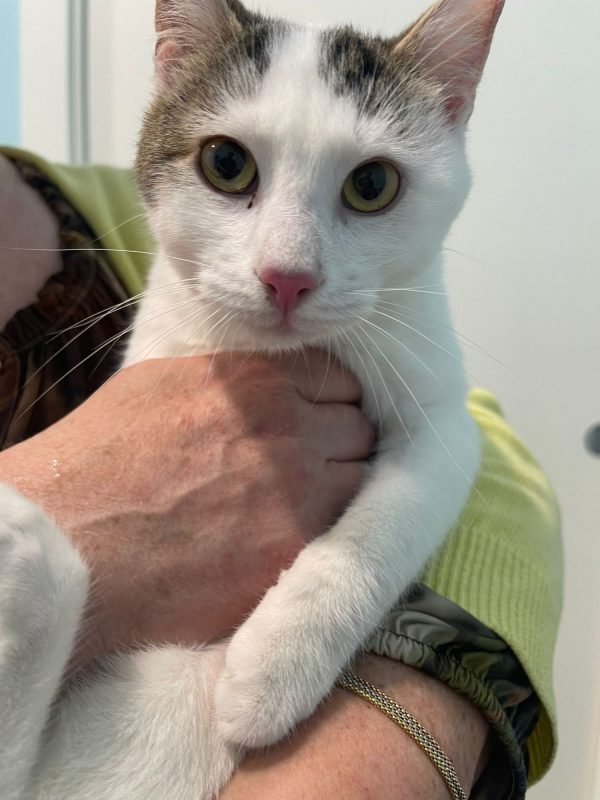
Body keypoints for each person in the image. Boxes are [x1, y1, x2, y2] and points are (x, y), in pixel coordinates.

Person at [0, 149, 563, 799]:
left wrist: (348, 613)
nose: (287, 263)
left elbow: (460, 427)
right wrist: (75, 511)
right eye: (230, 167)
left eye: (369, 185)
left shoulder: (115, 202)